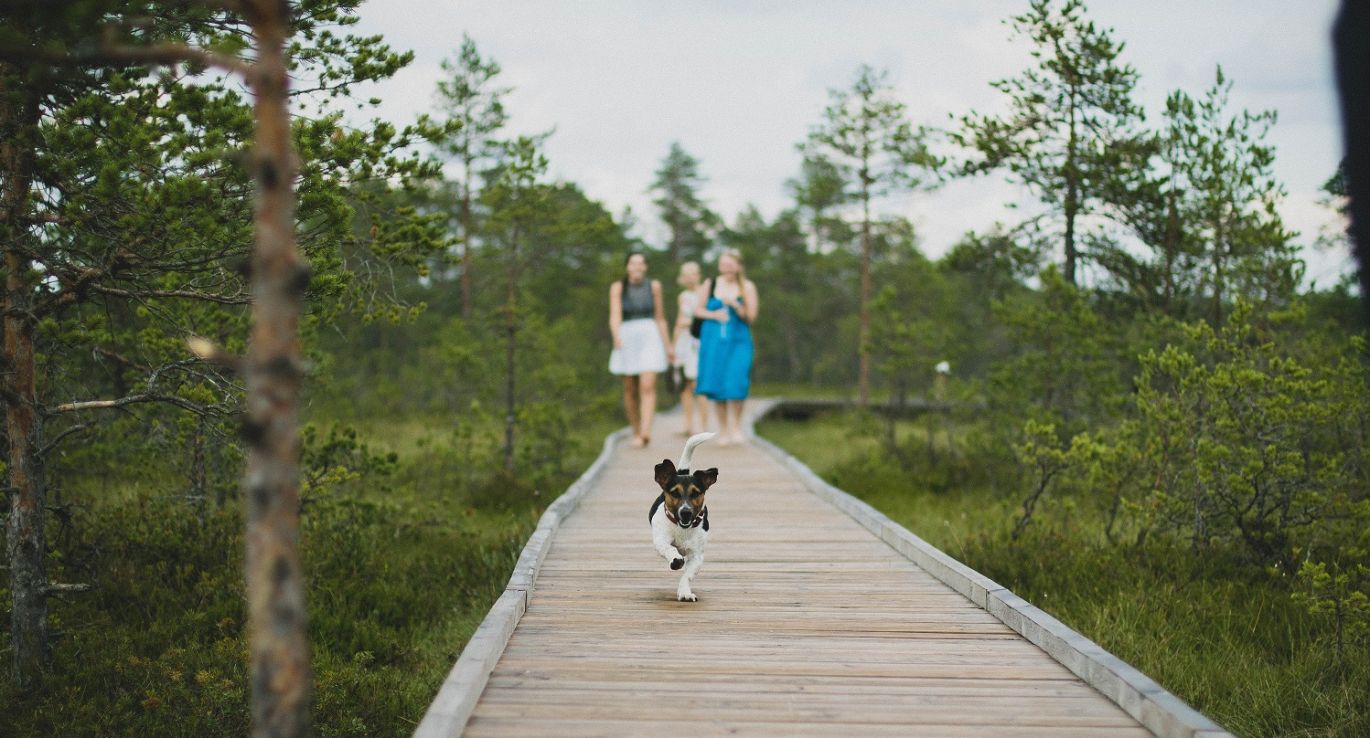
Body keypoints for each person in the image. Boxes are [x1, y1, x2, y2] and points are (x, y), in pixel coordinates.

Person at [694, 248, 758, 445]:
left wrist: (736, 306)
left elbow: (751, 317)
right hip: (714, 341)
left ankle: (736, 426)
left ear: (738, 266)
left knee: (737, 381)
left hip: (739, 340)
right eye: (724, 265)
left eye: (731, 265)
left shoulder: (747, 286)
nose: (727, 269)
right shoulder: (710, 284)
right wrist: (714, 315)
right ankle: (723, 430)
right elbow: (698, 310)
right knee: (718, 384)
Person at [609, 252, 673, 448]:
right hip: (627, 334)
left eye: (640, 263)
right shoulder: (618, 287)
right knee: (630, 387)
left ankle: (646, 431)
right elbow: (615, 315)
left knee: (647, 385)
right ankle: (635, 430)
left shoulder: (654, 286)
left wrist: (668, 345)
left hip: (649, 333)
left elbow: (660, 317)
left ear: (645, 267)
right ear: (627, 266)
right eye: (633, 263)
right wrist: (616, 335)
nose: (636, 267)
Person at [671, 261, 709, 436]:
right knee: (684, 386)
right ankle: (688, 424)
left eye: (692, 273)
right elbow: (679, 321)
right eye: (686, 274)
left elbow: (704, 319)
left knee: (698, 384)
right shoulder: (683, 296)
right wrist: (672, 345)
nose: (689, 278)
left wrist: (689, 322)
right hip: (683, 343)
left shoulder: (705, 294)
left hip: (698, 341)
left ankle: (704, 425)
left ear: (698, 275)